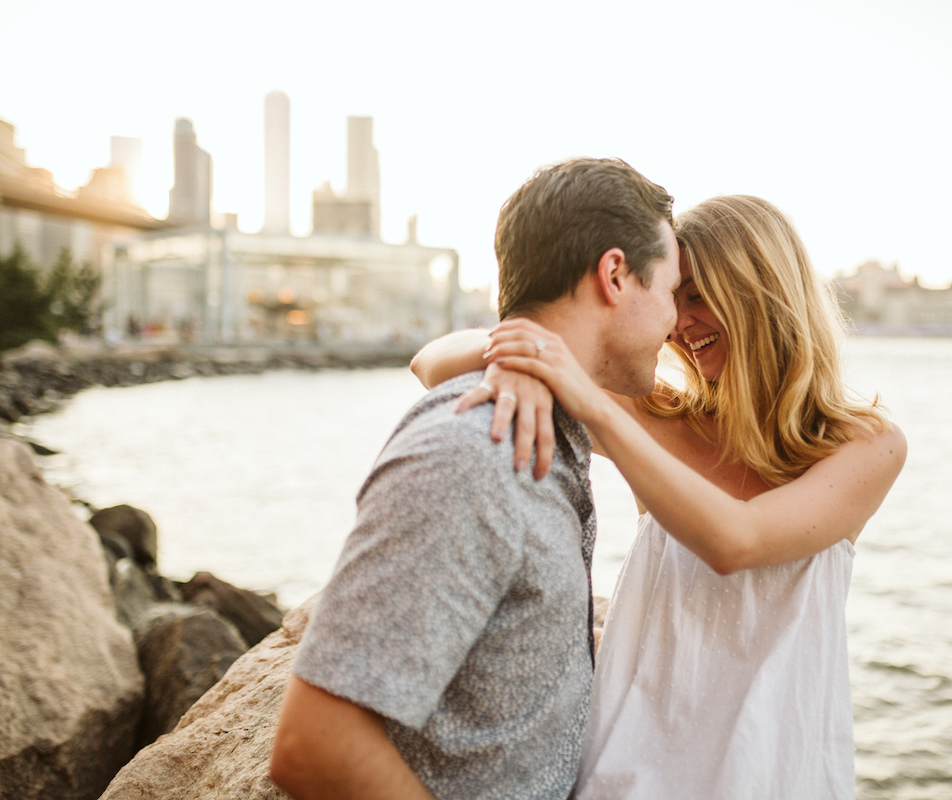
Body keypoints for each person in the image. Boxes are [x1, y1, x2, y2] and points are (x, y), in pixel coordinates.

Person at [415, 195, 906, 799]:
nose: (677, 321)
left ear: (761, 291)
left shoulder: (865, 447)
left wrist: (591, 400)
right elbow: (431, 363)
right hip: (624, 772)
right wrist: (519, 359)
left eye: (698, 295)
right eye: (674, 296)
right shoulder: (659, 419)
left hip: (772, 771)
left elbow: (735, 540)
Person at [269, 157, 680, 800]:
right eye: (672, 291)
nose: (675, 319)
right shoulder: (474, 455)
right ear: (616, 275)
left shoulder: (548, 427)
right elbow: (313, 745)